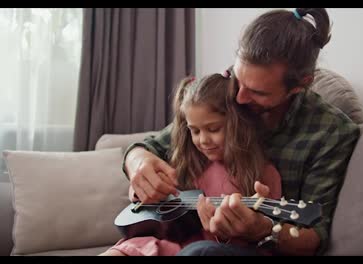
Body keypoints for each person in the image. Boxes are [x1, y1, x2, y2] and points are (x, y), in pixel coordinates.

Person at [123, 8, 360, 256]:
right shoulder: (224, 89)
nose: (238, 97)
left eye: (258, 92)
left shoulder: (331, 133)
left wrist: (262, 230)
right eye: (238, 80)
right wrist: (139, 163)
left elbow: (316, 237)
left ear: (301, 85)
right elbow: (152, 146)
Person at [100, 72, 282, 256]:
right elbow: (148, 196)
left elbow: (262, 243)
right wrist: (144, 189)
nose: (203, 140)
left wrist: (225, 231)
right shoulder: (187, 162)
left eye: (213, 129)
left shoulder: (263, 175)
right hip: (166, 242)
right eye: (194, 131)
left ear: (239, 125)